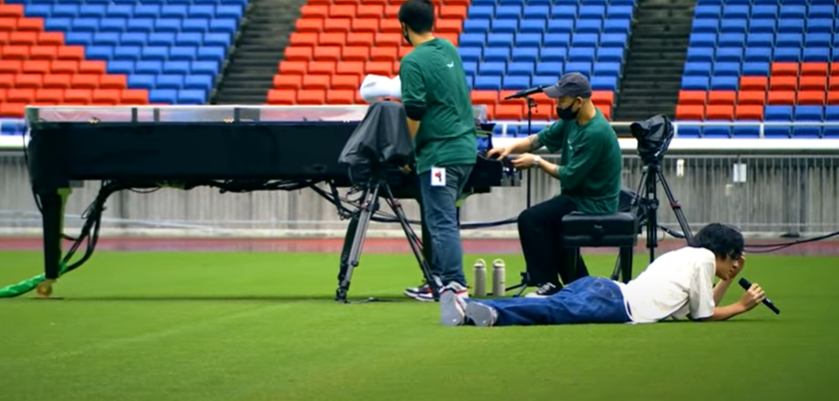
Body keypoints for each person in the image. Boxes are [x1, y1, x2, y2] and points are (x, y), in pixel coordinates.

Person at [440, 223, 768, 327]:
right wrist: (741, 306)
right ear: (725, 252)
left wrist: (726, 280)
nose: (736, 266)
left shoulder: (689, 255)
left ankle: (468, 307)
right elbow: (703, 317)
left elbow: (703, 305)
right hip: (615, 303)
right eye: (736, 259)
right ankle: (485, 311)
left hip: (605, 288)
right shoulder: (706, 261)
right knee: (551, 311)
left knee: (549, 305)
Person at [486, 72, 622, 297]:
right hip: (576, 196)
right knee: (551, 221)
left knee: (530, 219)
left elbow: (569, 175)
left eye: (561, 99)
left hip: (594, 202)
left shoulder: (596, 132)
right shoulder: (572, 120)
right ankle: (580, 283)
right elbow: (537, 140)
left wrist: (536, 161)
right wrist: (509, 147)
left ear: (578, 101)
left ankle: (548, 284)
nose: (557, 103)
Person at [397, 0, 477, 301]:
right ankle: (439, 281)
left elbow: (415, 109)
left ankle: (454, 284)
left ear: (404, 26)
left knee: (441, 220)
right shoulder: (450, 50)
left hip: (440, 155)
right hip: (465, 150)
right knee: (440, 219)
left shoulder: (413, 61)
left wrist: (408, 149)